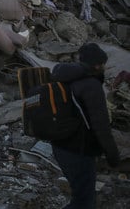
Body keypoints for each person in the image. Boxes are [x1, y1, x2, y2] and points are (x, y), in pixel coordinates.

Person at [50, 42, 120, 208]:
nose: (104, 67)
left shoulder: (63, 78)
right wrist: (113, 156)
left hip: (60, 147)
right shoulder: (91, 85)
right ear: (97, 65)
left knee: (80, 196)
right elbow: (101, 126)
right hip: (78, 151)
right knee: (84, 202)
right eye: (103, 64)